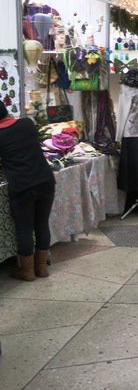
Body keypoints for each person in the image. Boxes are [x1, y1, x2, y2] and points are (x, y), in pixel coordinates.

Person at [0, 106, 56, 281]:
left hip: (22, 185)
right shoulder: (27, 124)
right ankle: (42, 268)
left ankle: (27, 271)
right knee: (42, 224)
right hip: (45, 180)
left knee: (24, 228)